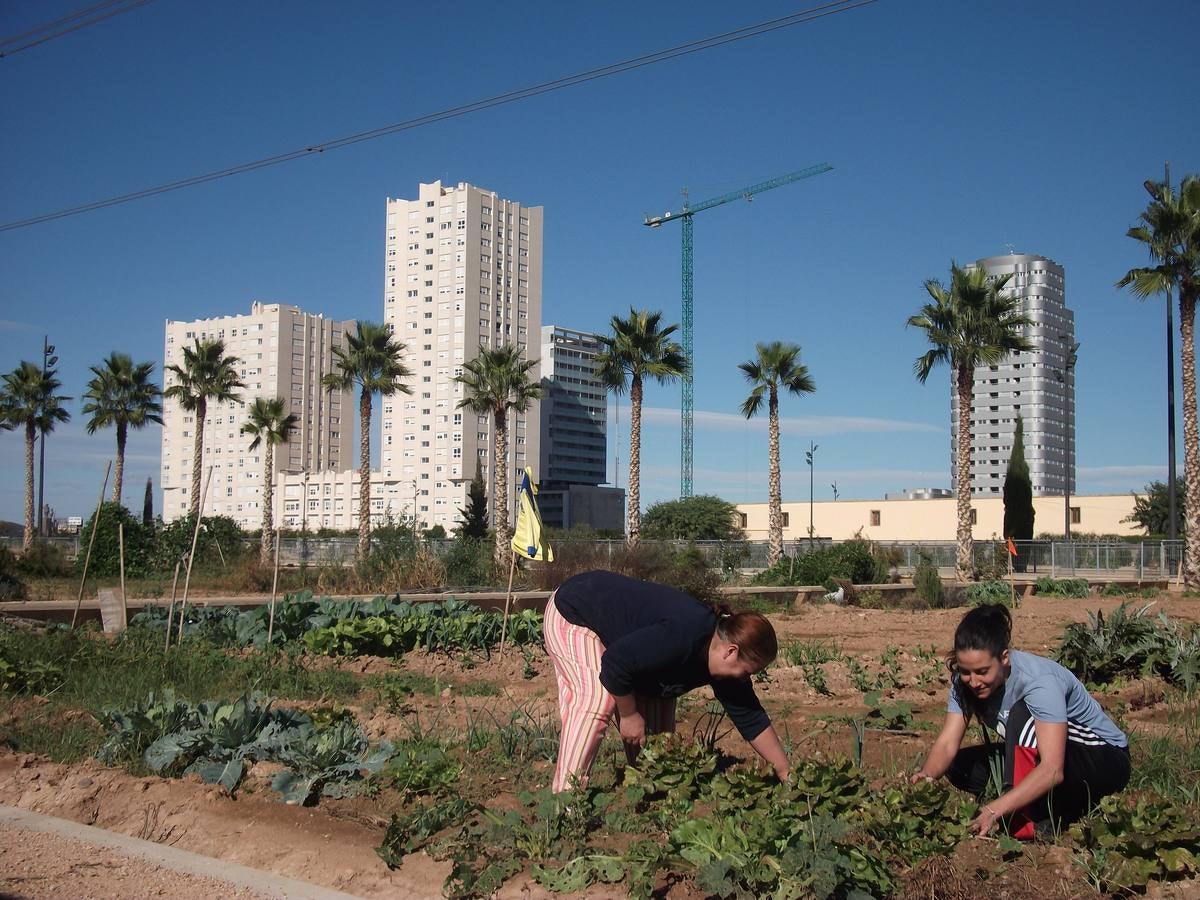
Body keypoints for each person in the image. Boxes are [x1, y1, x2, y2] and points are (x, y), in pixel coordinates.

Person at [543, 569, 790, 793]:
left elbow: (752, 719)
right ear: (731, 651)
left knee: (656, 749)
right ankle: (565, 801)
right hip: (575, 610)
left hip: (626, 644)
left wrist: (785, 773)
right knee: (597, 700)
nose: (745, 679)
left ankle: (646, 791)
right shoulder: (683, 635)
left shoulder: (724, 663)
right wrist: (628, 714)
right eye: (748, 671)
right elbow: (616, 663)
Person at [912, 604, 1130, 838]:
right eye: (966, 672)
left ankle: (1030, 817)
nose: (974, 681)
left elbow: (1053, 768)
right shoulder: (964, 683)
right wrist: (925, 778)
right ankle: (1048, 805)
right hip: (1048, 757)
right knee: (958, 765)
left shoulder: (1038, 681)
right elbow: (947, 744)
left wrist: (996, 809)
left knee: (1020, 715)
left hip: (1104, 758)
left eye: (983, 671)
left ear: (1004, 658)